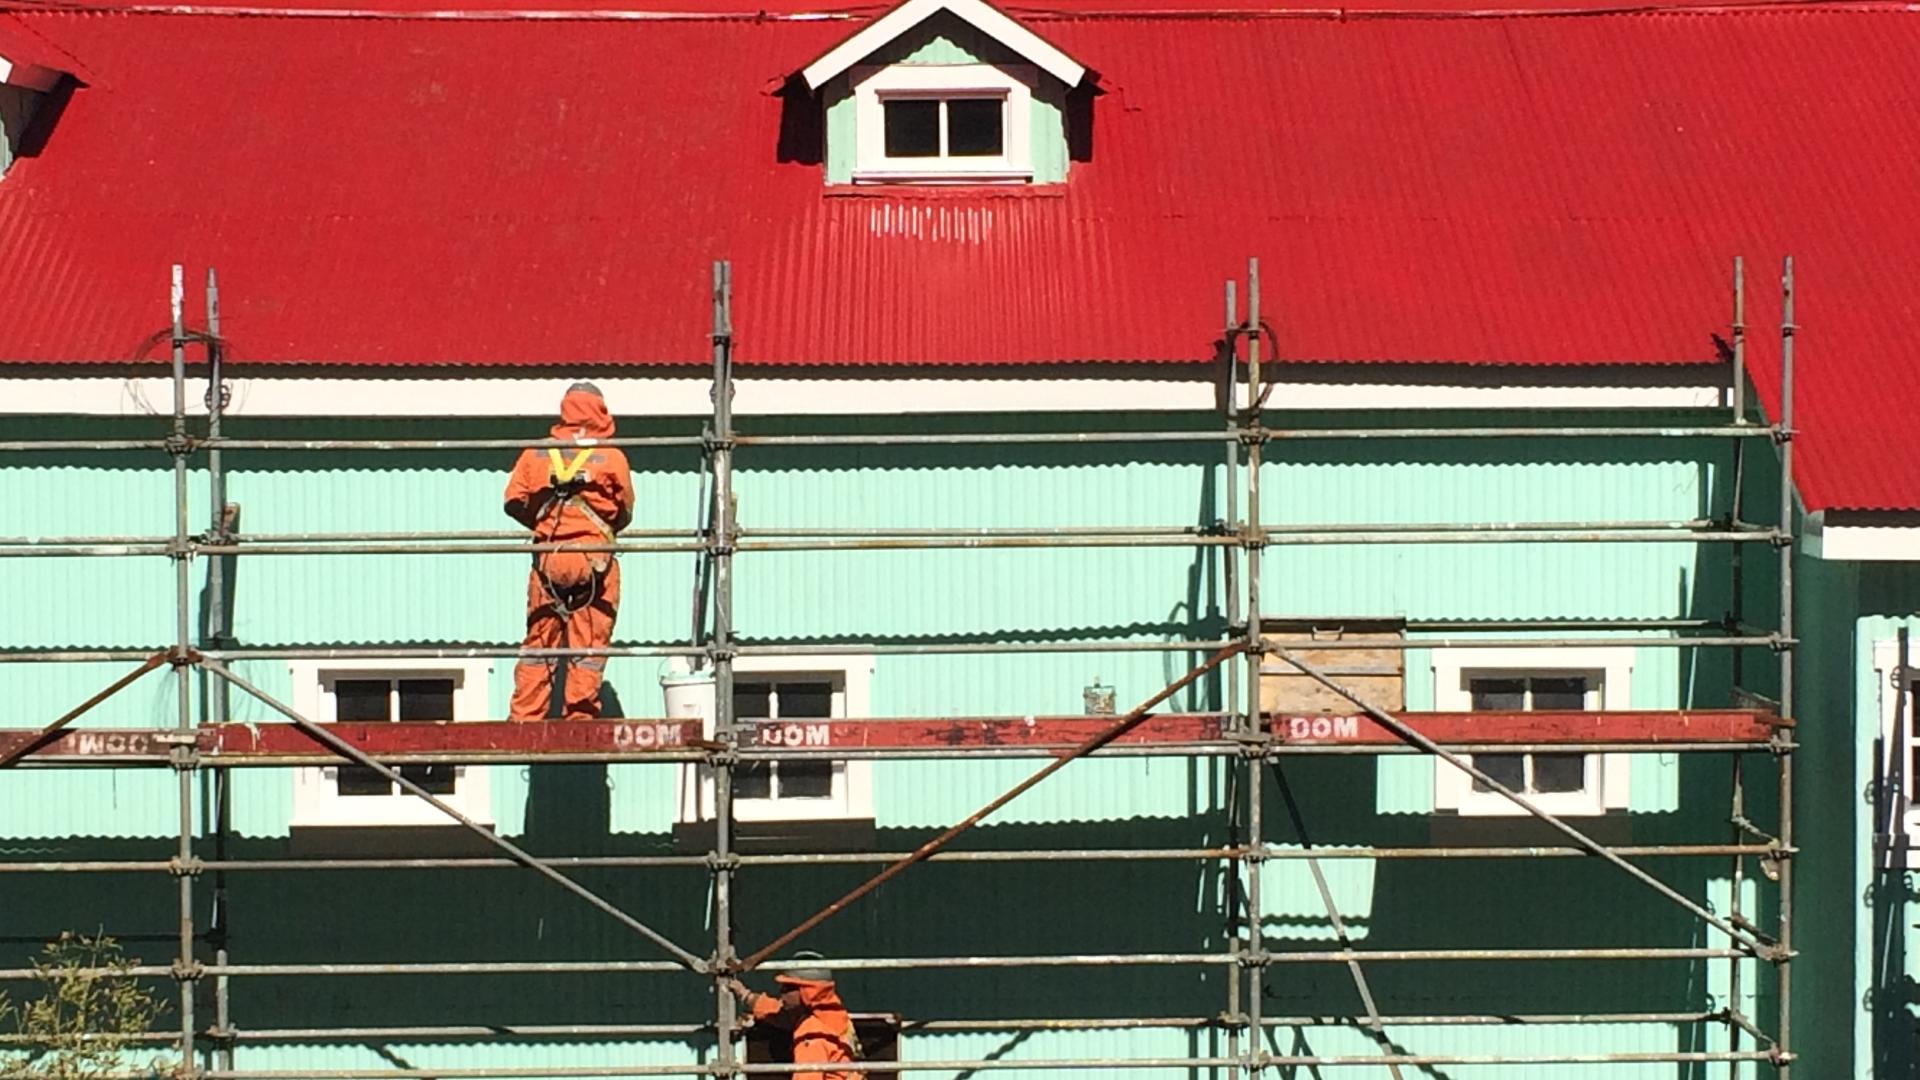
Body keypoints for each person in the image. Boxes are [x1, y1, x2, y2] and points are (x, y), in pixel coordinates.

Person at [503, 382, 634, 721]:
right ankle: (579, 717)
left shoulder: (537, 453)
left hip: (549, 558)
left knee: (539, 643)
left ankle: (525, 718)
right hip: (594, 560)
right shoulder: (612, 456)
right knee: (588, 646)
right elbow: (625, 512)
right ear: (600, 411)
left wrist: (546, 524)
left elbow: (513, 502)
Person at [727, 951, 863, 1080]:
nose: (781, 992)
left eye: (788, 988)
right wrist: (746, 995)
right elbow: (780, 1013)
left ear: (807, 992)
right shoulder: (832, 1013)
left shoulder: (812, 1033)